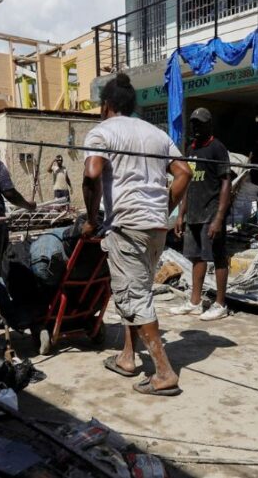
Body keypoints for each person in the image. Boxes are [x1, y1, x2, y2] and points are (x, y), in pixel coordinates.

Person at [82, 73, 192, 397]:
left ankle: (164, 373)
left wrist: (91, 219)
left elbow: (92, 174)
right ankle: (128, 357)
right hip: (155, 229)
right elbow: (184, 172)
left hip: (127, 226)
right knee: (136, 291)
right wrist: (164, 207)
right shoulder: (156, 134)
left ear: (106, 105)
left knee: (134, 296)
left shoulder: (102, 132)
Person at [170, 107, 232, 321]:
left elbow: (226, 184)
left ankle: (220, 304)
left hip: (211, 213)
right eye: (194, 124)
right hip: (194, 214)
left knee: (218, 256)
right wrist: (181, 215)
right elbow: (187, 185)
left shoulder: (217, 148)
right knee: (196, 258)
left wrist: (219, 218)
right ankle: (195, 303)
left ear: (209, 125)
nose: (196, 128)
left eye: (200, 124)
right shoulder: (191, 149)